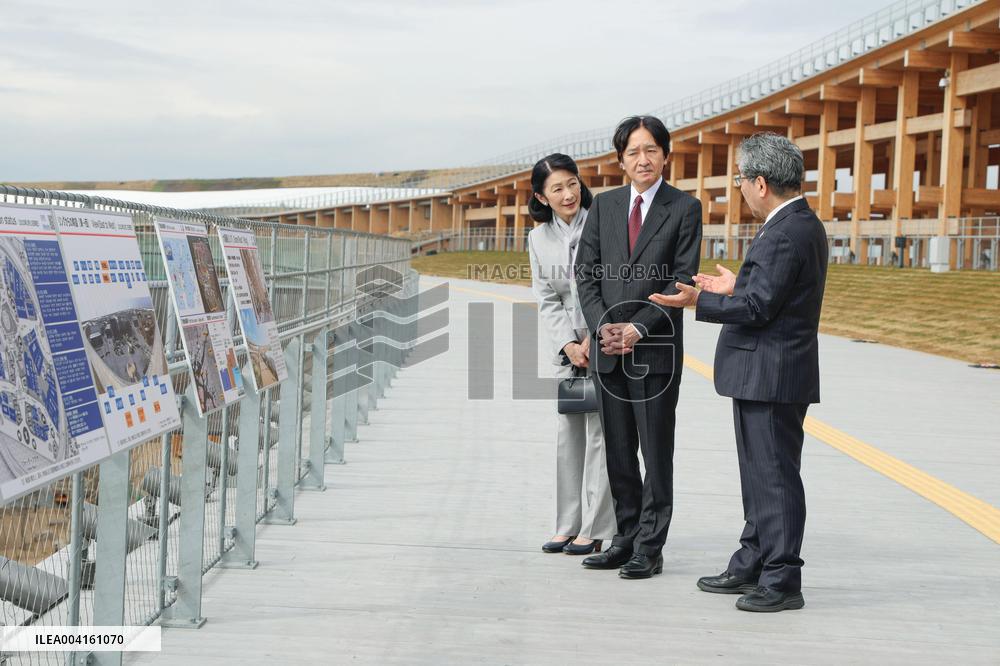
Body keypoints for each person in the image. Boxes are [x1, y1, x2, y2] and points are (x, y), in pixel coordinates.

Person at [650, 132, 828, 612]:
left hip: (772, 375)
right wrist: (736, 283)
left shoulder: (787, 230)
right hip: (765, 373)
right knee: (758, 474)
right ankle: (754, 558)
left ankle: (782, 578)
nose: (739, 189)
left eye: (740, 180)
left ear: (761, 182)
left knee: (773, 477)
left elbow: (759, 306)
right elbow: (768, 292)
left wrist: (698, 300)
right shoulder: (791, 224)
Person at [575, 116, 702, 579]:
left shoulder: (685, 208)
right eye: (633, 152)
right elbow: (585, 275)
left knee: (654, 450)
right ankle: (625, 537)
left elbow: (682, 280)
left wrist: (638, 330)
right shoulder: (604, 207)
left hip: (655, 351)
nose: (642, 159)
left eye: (651, 150)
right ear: (621, 160)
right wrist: (606, 328)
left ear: (666, 155)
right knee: (619, 451)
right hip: (608, 350)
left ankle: (651, 545)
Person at [528, 153, 616, 556]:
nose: (568, 193)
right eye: (557, 188)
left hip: (605, 338)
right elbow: (546, 298)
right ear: (542, 197)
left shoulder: (604, 221)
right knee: (570, 434)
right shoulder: (537, 238)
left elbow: (612, 285)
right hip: (568, 350)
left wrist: (594, 337)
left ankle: (598, 529)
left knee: (602, 434)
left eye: (572, 183)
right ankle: (567, 524)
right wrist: (568, 343)